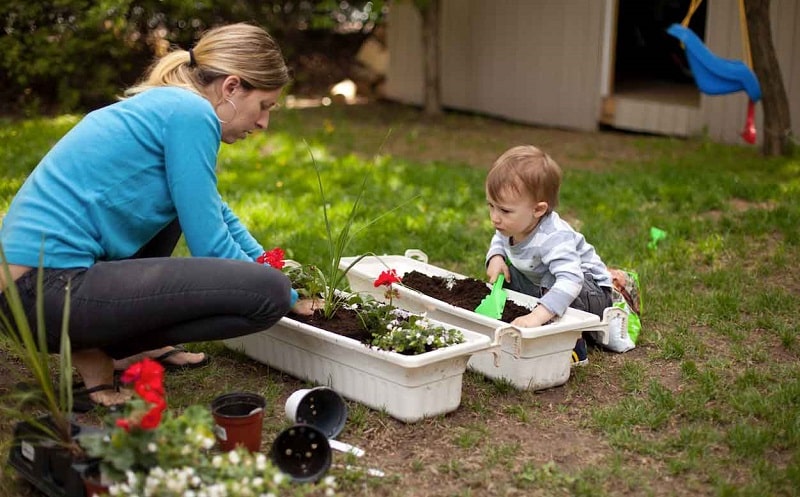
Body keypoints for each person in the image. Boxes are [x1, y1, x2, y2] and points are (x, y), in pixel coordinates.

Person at [0, 23, 316, 409]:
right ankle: (107, 349)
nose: (264, 122)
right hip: (42, 295)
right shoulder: (192, 113)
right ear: (232, 87)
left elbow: (214, 209)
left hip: (28, 295)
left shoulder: (174, 105)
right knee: (268, 295)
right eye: (265, 106)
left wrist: (270, 262)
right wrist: (288, 292)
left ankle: (123, 346)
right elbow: (212, 246)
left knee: (195, 218)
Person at [484, 145, 613, 366]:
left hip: (591, 294)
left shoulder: (553, 237)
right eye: (491, 206)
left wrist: (536, 317)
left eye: (504, 210)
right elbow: (500, 239)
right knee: (508, 274)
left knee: (553, 280)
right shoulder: (512, 225)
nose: (495, 218)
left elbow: (571, 280)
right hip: (545, 284)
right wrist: (496, 256)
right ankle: (523, 314)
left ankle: (574, 344)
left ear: (538, 210)